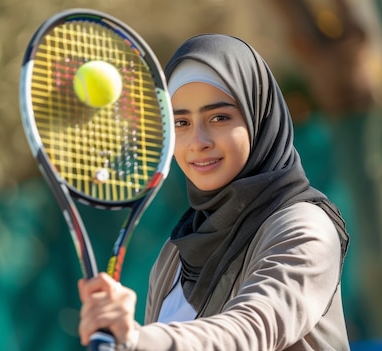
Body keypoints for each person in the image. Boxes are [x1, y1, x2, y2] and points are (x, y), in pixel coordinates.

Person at [78, 33, 351, 350]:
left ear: (257, 117)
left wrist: (137, 339)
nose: (198, 141)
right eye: (181, 123)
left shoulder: (305, 230)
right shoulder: (173, 256)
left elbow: (249, 331)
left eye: (219, 117)